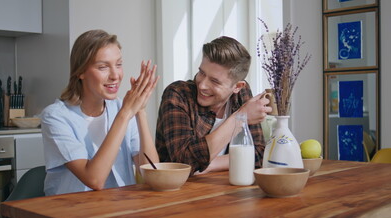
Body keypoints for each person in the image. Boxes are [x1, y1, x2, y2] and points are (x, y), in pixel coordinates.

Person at [41, 29, 160, 197]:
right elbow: (94, 180)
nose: (115, 75)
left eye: (118, 64)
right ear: (80, 72)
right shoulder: (55, 117)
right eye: (103, 67)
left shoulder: (121, 108)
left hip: (120, 210)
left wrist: (140, 111)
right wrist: (126, 114)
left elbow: (153, 173)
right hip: (72, 213)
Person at [155, 36, 271, 175]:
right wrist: (239, 118)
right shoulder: (178, 94)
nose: (202, 85)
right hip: (176, 192)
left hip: (222, 188)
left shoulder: (241, 94)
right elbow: (184, 163)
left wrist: (208, 165)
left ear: (237, 86)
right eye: (201, 73)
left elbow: (258, 155)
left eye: (214, 81)